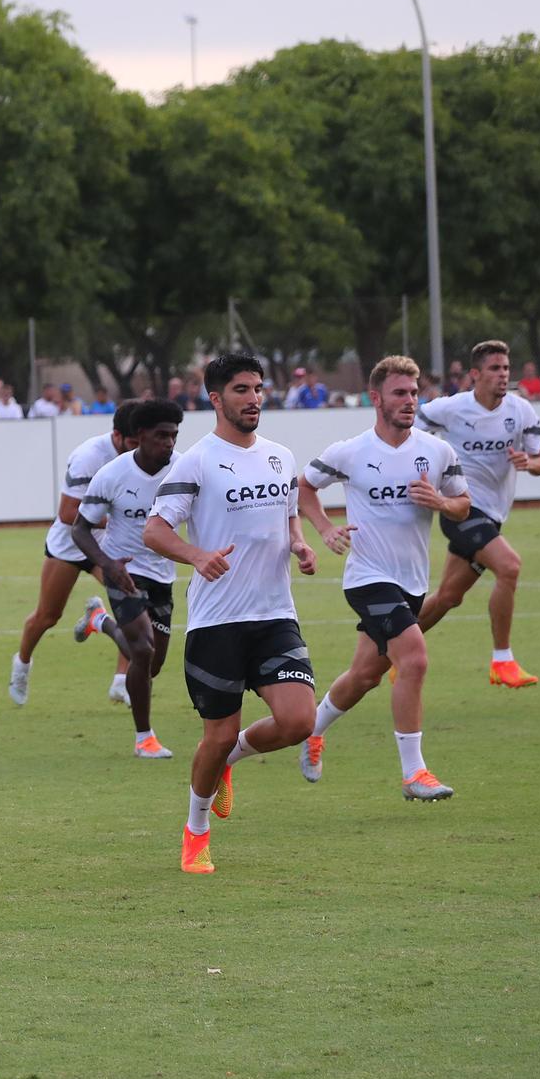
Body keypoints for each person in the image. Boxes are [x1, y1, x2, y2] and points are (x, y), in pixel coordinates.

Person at [142, 352, 318, 875]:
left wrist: (300, 545)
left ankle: (231, 762)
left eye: (258, 388)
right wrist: (197, 556)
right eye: (242, 389)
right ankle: (196, 829)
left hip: (274, 616)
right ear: (216, 399)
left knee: (298, 720)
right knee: (212, 738)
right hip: (217, 623)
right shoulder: (196, 461)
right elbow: (155, 529)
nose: (254, 398)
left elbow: (288, 515)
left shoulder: (280, 456)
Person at [298, 356, 469, 801]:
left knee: (364, 676)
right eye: (400, 393)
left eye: (414, 393)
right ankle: (414, 774)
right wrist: (325, 528)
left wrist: (440, 502)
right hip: (367, 577)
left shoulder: (437, 451)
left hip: (412, 582)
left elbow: (463, 504)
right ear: (376, 399)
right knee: (413, 659)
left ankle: (311, 730)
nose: (410, 401)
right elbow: (304, 486)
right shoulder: (350, 452)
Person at [413, 339, 540, 687]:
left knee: (448, 598)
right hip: (461, 508)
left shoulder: (521, 411)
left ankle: (388, 650)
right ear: (475, 374)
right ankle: (502, 661)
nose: (503, 375)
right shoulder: (452, 408)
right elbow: (408, 425)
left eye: (506, 368)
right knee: (510, 566)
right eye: (494, 369)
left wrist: (528, 462)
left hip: (493, 515)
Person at [71, 399, 184, 760]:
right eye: (161, 436)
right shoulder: (112, 475)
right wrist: (107, 564)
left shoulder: (184, 471)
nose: (168, 443)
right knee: (142, 649)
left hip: (163, 574)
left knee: (152, 664)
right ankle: (144, 739)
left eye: (174, 435)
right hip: (124, 572)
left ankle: (99, 620)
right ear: (140, 437)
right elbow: (80, 529)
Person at [8, 404, 137, 707]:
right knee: (47, 617)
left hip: (106, 543)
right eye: (132, 442)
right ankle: (22, 664)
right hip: (69, 545)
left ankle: (121, 682)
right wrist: (123, 518)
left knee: (134, 604)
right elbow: (68, 513)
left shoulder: (141, 456)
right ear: (117, 435)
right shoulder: (89, 457)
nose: (137, 449)